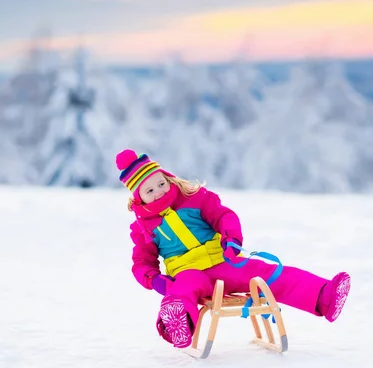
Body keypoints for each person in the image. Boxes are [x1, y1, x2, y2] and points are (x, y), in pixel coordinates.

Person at [116, 149, 351, 348]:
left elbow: (223, 216)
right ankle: (179, 323)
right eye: (150, 191)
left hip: (224, 261)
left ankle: (324, 296)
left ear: (168, 178)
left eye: (161, 183)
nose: (159, 191)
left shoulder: (194, 199)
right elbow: (142, 263)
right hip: (188, 272)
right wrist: (156, 280)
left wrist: (231, 240)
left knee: (266, 275)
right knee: (182, 290)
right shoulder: (143, 228)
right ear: (139, 198)